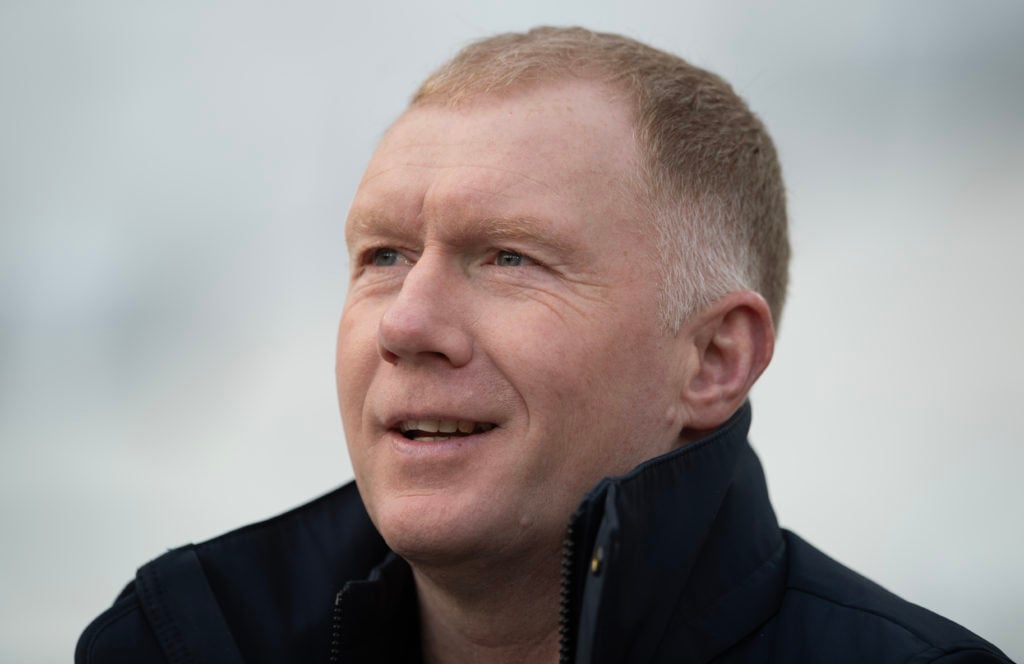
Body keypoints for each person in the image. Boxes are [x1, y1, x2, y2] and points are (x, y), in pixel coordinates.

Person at [76, 26, 1012, 664]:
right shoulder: (182, 643)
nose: (407, 324)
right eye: (384, 255)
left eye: (509, 258)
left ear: (715, 359)